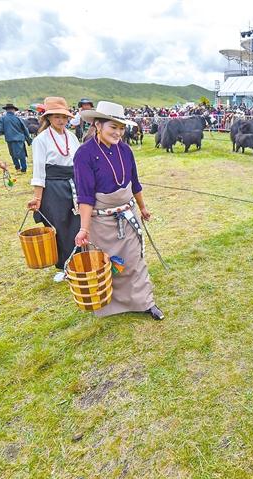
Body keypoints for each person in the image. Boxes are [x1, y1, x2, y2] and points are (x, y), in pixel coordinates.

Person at [73, 101, 163, 320]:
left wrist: (142, 207)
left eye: (121, 128)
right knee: (108, 264)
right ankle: (108, 304)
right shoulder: (84, 154)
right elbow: (85, 196)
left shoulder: (125, 150)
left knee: (134, 261)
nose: (118, 133)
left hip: (128, 215)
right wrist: (84, 229)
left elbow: (135, 183)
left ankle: (145, 302)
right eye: (113, 127)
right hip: (101, 222)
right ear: (97, 125)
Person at [28, 97, 82, 281]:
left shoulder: (72, 137)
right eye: (57, 116)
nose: (61, 120)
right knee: (59, 225)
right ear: (48, 118)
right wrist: (38, 198)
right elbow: (39, 171)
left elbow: (79, 163)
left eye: (64, 117)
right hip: (53, 188)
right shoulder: (40, 140)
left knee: (77, 224)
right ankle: (65, 267)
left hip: (74, 184)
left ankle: (80, 262)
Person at [0, 103, 32, 172]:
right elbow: (25, 130)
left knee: (12, 154)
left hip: (9, 139)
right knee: (22, 154)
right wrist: (29, 140)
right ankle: (24, 168)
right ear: (13, 110)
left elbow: (0, 130)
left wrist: (5, 132)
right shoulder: (18, 119)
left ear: (6, 110)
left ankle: (17, 167)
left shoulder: (2, 118)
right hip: (20, 139)